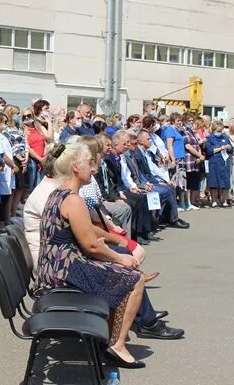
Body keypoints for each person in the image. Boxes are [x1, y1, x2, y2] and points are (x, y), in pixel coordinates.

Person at [36, 143, 147, 368]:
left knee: (123, 270)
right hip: (64, 272)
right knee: (135, 280)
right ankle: (117, 346)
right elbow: (91, 246)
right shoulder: (73, 199)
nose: (93, 169)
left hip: (54, 267)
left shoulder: (59, 194)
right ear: (76, 168)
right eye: (89, 163)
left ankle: (106, 337)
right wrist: (120, 258)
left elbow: (86, 229)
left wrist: (116, 241)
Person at [3, 104, 27, 217]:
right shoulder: (6, 130)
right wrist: (19, 158)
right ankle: (8, 216)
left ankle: (14, 214)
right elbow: (9, 145)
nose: (18, 116)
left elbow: (24, 143)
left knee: (20, 189)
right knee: (13, 190)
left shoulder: (19, 128)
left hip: (23, 159)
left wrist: (25, 157)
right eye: (16, 114)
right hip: (14, 159)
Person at [204, 120, 234, 208]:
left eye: (221, 131)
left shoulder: (225, 137)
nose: (219, 133)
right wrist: (220, 148)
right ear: (213, 130)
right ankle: (214, 201)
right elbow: (209, 151)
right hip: (214, 161)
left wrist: (228, 147)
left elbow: (231, 149)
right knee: (214, 181)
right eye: (218, 131)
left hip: (224, 162)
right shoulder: (209, 138)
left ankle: (224, 200)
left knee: (226, 182)